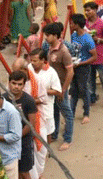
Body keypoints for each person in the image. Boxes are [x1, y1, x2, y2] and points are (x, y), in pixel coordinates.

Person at [27, 48, 61, 176]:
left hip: (45, 109)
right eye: (31, 60)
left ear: (43, 60)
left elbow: (58, 91)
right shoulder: (28, 69)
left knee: (47, 133)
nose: (33, 63)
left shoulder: (51, 73)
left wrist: (42, 91)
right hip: (31, 110)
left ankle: (45, 155)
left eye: (35, 60)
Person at [41, 22, 75, 150]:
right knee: (54, 110)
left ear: (55, 36)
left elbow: (70, 72)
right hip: (52, 88)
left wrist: (63, 90)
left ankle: (68, 138)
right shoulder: (49, 48)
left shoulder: (64, 52)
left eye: (48, 35)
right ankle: (54, 134)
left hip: (60, 88)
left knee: (67, 113)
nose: (46, 38)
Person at [5, 70, 38, 179]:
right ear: (9, 83)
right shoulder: (2, 99)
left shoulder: (29, 101)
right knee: (12, 172)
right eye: (14, 83)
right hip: (6, 143)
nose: (16, 87)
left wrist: (16, 137)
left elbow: (30, 124)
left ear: (24, 85)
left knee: (24, 172)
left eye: (20, 84)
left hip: (24, 142)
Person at [83, 2, 103, 112]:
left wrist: (98, 40)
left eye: (89, 10)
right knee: (90, 81)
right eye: (86, 11)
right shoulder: (84, 24)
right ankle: (92, 99)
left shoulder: (102, 24)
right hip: (88, 58)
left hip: (100, 58)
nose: (87, 13)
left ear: (95, 10)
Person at [69, 13, 98, 124]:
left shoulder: (87, 39)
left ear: (77, 24)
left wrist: (81, 63)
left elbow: (94, 57)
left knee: (84, 90)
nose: (70, 24)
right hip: (74, 66)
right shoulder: (73, 36)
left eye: (72, 23)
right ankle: (71, 113)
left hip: (83, 68)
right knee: (74, 90)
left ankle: (86, 113)